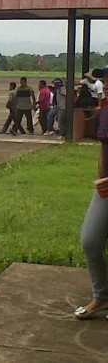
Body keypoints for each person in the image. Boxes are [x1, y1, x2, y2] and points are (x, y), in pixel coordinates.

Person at [76, 68, 108, 320]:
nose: (104, 85)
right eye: (104, 80)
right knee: (90, 240)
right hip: (106, 187)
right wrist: (100, 178)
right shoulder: (106, 111)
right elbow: (103, 149)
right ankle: (102, 296)